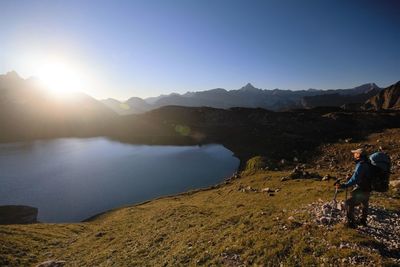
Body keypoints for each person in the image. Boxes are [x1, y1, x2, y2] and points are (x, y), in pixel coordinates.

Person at [337, 148, 372, 228]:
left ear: (359, 155)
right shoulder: (367, 163)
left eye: (355, 153)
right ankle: (363, 221)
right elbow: (362, 176)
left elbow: (356, 178)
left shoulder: (361, 164)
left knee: (349, 202)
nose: (354, 154)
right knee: (364, 203)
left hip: (361, 189)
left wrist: (344, 185)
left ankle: (351, 223)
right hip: (368, 188)